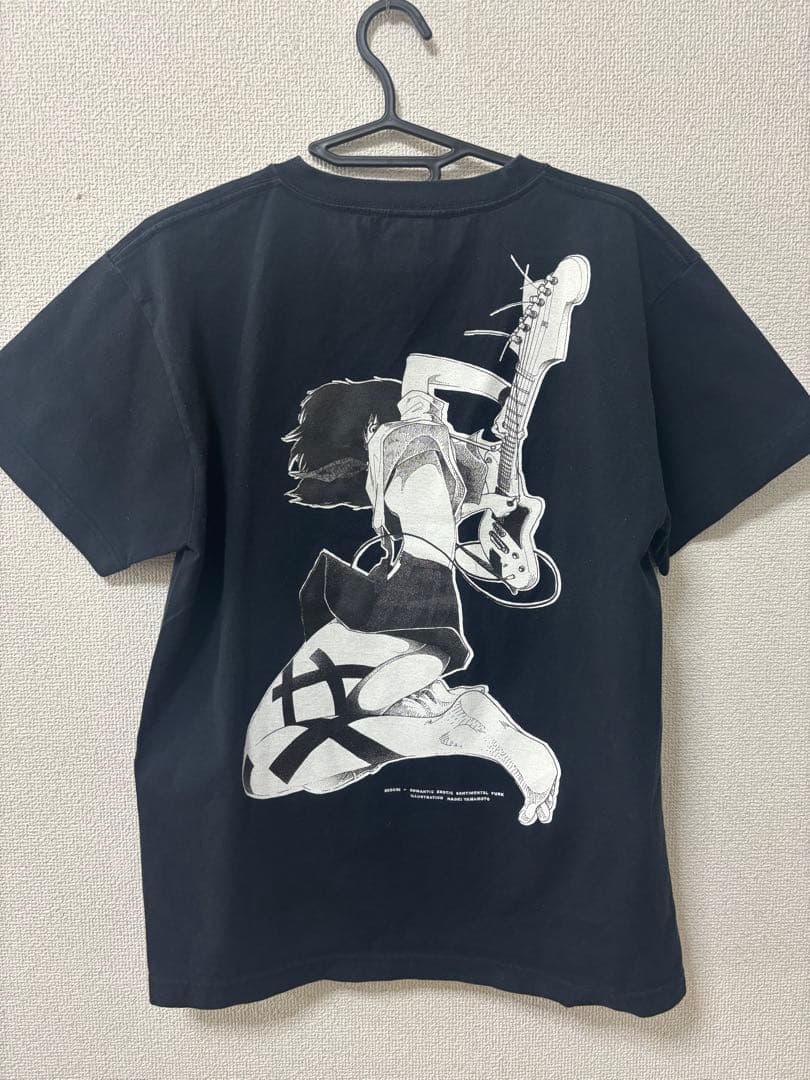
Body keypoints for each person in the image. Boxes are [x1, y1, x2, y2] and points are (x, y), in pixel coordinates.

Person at [242, 365, 561, 826]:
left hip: (398, 605)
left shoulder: (411, 443)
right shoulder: (423, 467)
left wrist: (498, 390)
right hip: (413, 614)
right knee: (305, 773)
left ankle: (446, 728)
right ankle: (428, 718)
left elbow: (422, 369)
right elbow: (479, 555)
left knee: (264, 762)